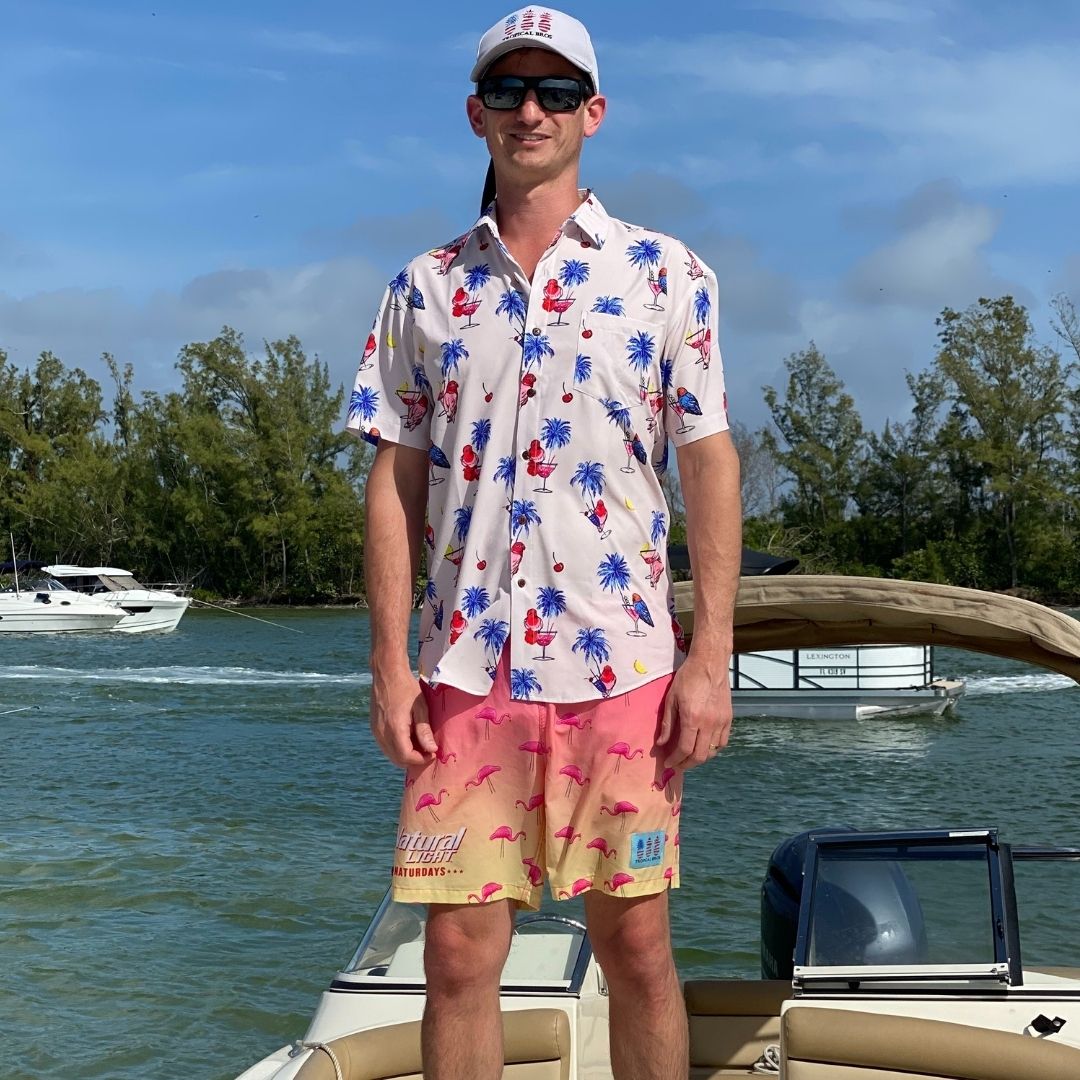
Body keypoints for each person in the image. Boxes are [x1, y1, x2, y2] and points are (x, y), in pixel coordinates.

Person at [347, 8, 741, 1078]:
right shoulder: (423, 289)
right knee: (456, 956)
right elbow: (394, 476)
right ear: (475, 113)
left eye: (557, 92)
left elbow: (708, 460)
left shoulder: (669, 275)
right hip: (464, 670)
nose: (532, 110)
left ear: (592, 113)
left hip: (626, 668)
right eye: (509, 91)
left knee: (639, 947)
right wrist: (388, 665)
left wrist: (711, 657)